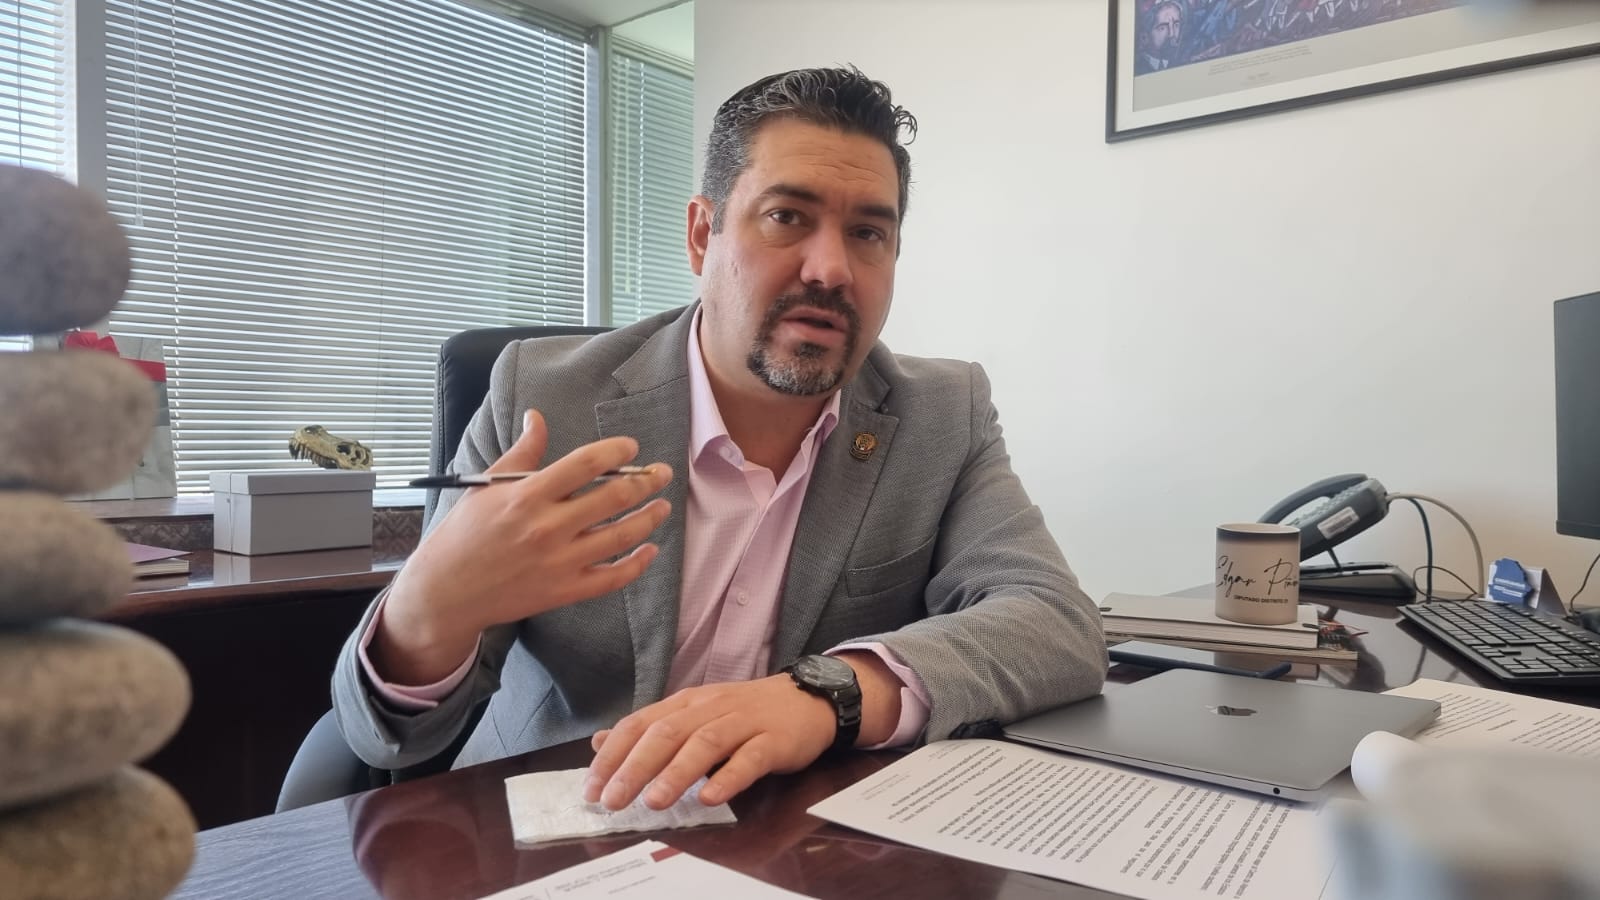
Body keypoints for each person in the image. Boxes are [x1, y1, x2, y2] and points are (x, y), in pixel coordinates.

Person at [332, 66, 1105, 813]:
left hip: (795, 835)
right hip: (555, 824)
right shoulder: (543, 399)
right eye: (787, 217)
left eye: (868, 232)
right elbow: (389, 736)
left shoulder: (942, 414)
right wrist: (424, 617)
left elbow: (1058, 623)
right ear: (704, 236)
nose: (831, 268)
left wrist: (828, 694)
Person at [1137, 0, 1185, 74]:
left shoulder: (1178, 64)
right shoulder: (1139, 67)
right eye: (1162, 28)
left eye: (1176, 25)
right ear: (1144, 37)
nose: (1171, 34)